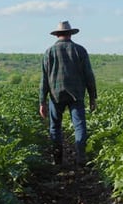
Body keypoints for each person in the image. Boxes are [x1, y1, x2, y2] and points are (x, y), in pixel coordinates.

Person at [39, 21, 97, 166]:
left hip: (55, 95)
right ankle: (81, 157)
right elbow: (89, 75)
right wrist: (92, 97)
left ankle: (57, 159)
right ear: (70, 33)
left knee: (55, 126)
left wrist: (42, 102)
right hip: (76, 93)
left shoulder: (49, 52)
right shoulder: (80, 50)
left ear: (57, 34)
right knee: (79, 125)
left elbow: (44, 79)